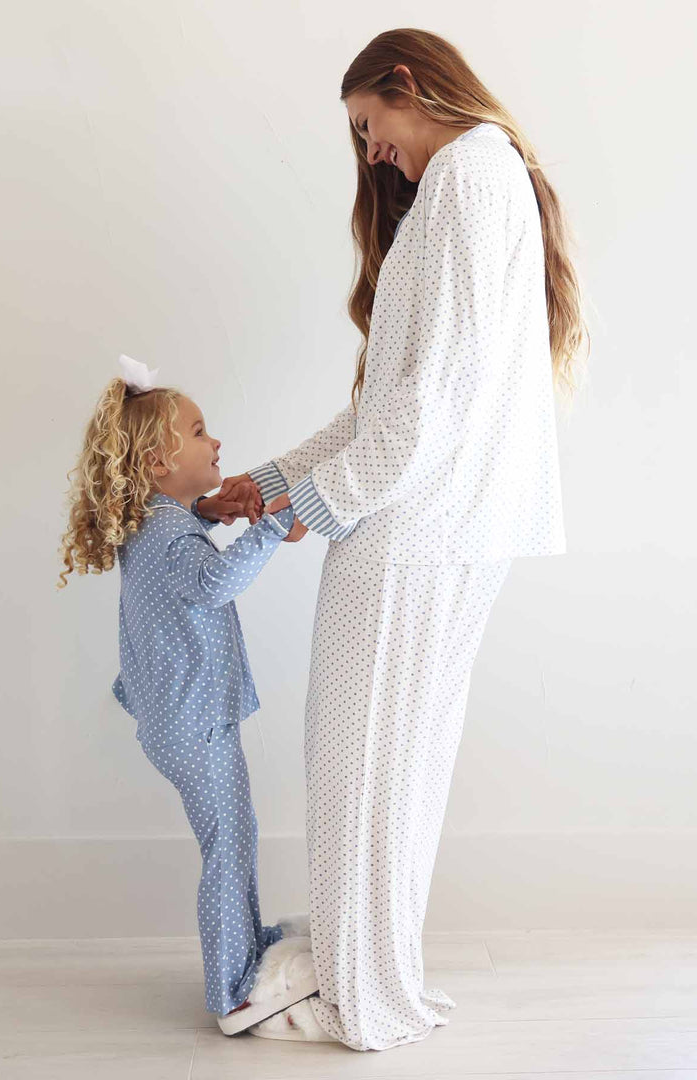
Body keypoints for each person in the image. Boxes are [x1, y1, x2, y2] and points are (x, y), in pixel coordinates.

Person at [217, 28, 587, 1051]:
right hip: (449, 524)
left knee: (360, 765)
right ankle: (375, 978)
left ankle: (355, 992)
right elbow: (393, 401)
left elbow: (428, 405)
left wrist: (308, 508)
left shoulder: (468, 176)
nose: (370, 153)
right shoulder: (482, 179)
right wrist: (271, 482)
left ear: (408, 86)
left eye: (368, 127)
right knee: (397, 765)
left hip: (414, 527)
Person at [57, 355, 318, 1035]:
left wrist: (214, 504)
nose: (217, 443)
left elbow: (183, 534)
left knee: (234, 835)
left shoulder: (151, 522)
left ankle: (245, 952)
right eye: (200, 432)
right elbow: (212, 583)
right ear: (155, 464)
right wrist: (266, 527)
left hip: (173, 717)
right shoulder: (172, 535)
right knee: (230, 841)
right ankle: (234, 988)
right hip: (195, 719)